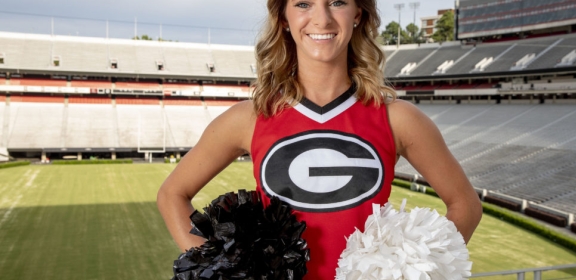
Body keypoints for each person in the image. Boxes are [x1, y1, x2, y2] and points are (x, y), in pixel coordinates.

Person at [156, 0, 482, 279]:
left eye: (337, 2)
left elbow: (465, 205)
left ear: (358, 13)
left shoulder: (399, 119)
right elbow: (172, 194)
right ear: (284, 18)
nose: (322, 18)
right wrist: (223, 269)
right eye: (303, 4)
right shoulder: (250, 118)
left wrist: (421, 269)